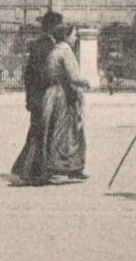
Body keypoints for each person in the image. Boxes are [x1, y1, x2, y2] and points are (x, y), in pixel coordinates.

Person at [12, 13, 88, 185]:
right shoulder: (42, 45)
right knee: (41, 133)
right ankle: (34, 171)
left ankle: (47, 169)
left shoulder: (55, 44)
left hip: (51, 94)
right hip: (43, 95)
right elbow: (31, 75)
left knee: (48, 133)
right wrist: (32, 98)